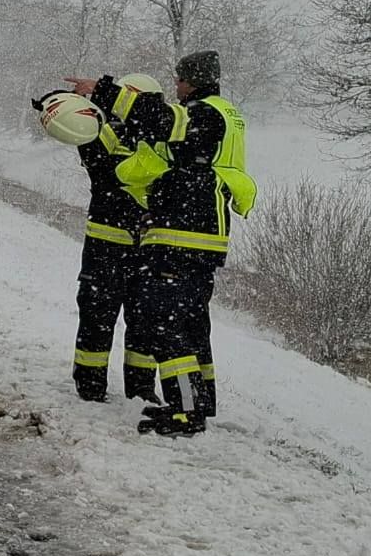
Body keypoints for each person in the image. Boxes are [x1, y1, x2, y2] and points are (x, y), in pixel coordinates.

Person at [72, 50, 254, 438]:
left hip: (182, 234)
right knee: (189, 323)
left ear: (192, 81)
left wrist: (104, 91)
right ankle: (200, 403)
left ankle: (185, 411)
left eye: (179, 80)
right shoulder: (227, 115)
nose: (176, 86)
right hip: (202, 235)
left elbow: (161, 119)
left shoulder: (206, 113)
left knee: (164, 324)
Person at [50, 73, 161, 404]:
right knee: (105, 317)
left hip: (127, 248)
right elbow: (93, 152)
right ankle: (94, 385)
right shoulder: (107, 132)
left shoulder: (157, 140)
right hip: (115, 247)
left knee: (140, 321)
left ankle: (136, 388)